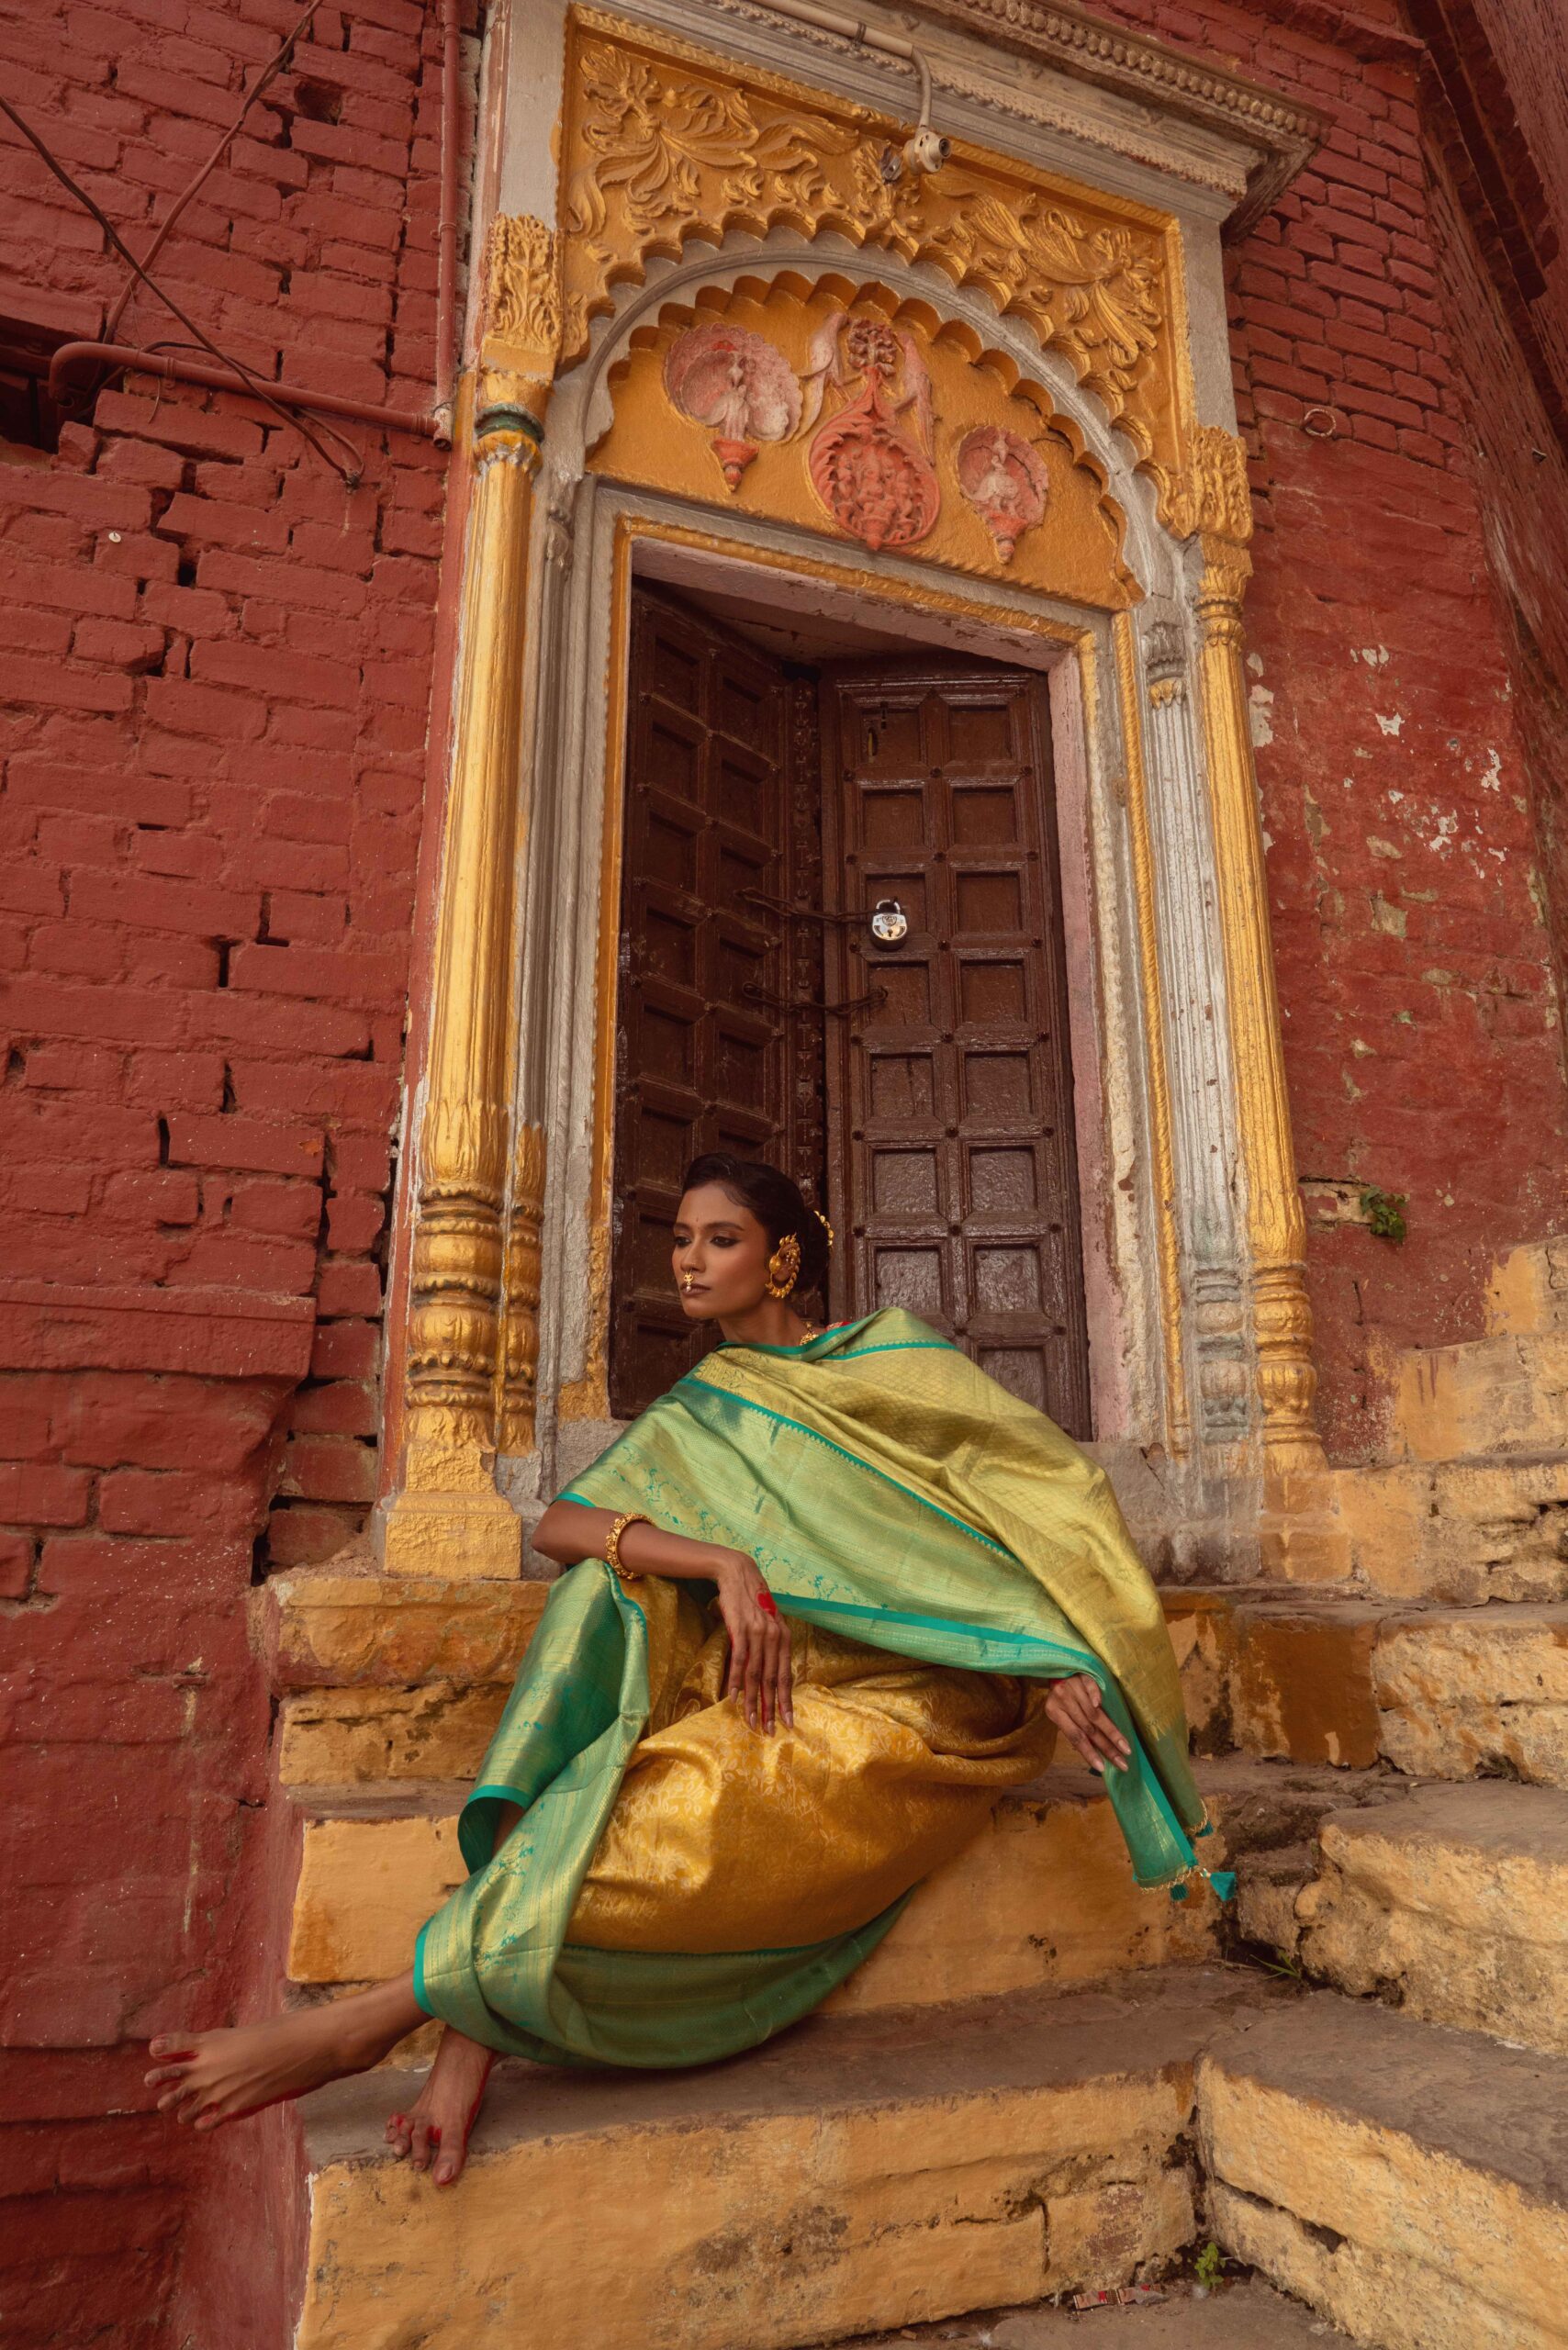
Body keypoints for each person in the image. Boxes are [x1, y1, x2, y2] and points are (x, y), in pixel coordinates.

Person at [146, 1155, 1230, 2183]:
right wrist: (721, 1558)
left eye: (721, 1239)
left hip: (931, 1684)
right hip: (770, 1672)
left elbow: (1024, 1509)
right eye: (680, 1241)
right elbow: (562, 1522)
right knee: (602, 1584)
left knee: (683, 1813)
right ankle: (473, 2016)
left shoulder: (892, 1359)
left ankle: (378, 2021)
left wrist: (1052, 1658)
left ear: (782, 1260)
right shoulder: (703, 1408)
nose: (689, 1261)